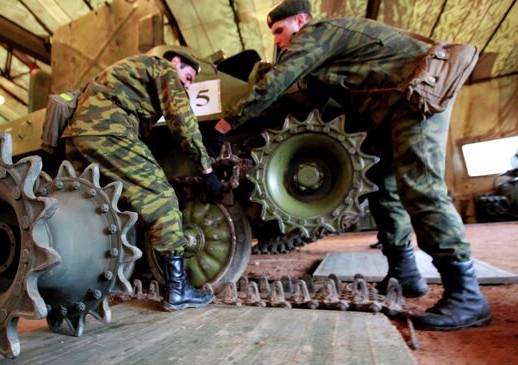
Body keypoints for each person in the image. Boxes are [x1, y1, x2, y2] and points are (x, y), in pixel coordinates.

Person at [210, 0, 490, 331]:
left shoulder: (318, 34)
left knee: (420, 186)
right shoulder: (326, 55)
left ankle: (467, 294)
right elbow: (305, 101)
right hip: (388, 110)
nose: (279, 41)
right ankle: (406, 272)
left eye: (280, 31)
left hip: (416, 92)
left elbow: (281, 81)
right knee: (384, 189)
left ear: (302, 20)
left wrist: (223, 128)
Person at [61, 50, 221, 311]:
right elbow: (181, 119)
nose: (188, 84)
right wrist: (206, 167)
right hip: (108, 130)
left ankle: (75, 288)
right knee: (161, 197)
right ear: (176, 62)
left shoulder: (132, 68)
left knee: (93, 211)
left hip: (78, 136)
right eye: (189, 76)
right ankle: (178, 290)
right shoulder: (164, 69)